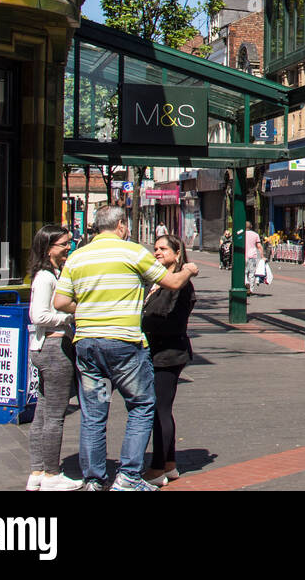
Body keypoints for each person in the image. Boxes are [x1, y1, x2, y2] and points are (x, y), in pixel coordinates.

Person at [53, 205, 199, 491]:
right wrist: (190, 270)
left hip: (87, 344)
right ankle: (128, 478)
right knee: (142, 405)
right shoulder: (132, 252)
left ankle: (94, 480)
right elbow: (171, 281)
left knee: (94, 413)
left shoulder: (77, 256)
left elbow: (60, 302)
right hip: (124, 344)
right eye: (126, 225)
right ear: (120, 225)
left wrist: (89, 308)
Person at [26, 225, 82, 491]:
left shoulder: (46, 275)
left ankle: (38, 471)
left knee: (43, 412)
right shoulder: (46, 278)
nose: (67, 249)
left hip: (43, 348)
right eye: (63, 245)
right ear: (48, 248)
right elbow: (38, 316)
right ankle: (51, 474)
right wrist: (69, 316)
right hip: (54, 347)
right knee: (55, 416)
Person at [142, 233, 196, 486]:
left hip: (168, 352)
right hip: (159, 350)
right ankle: (169, 463)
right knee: (161, 407)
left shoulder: (179, 284)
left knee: (159, 408)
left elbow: (167, 317)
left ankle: (157, 467)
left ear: (177, 253)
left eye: (163, 248)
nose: (157, 252)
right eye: (155, 248)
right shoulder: (157, 281)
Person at [243, 222, 263, 295]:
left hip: (243, 255)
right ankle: (251, 289)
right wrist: (262, 256)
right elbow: (259, 246)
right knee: (252, 273)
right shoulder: (255, 235)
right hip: (252, 256)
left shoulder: (242, 234)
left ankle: (246, 282)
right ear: (251, 226)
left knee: (244, 272)